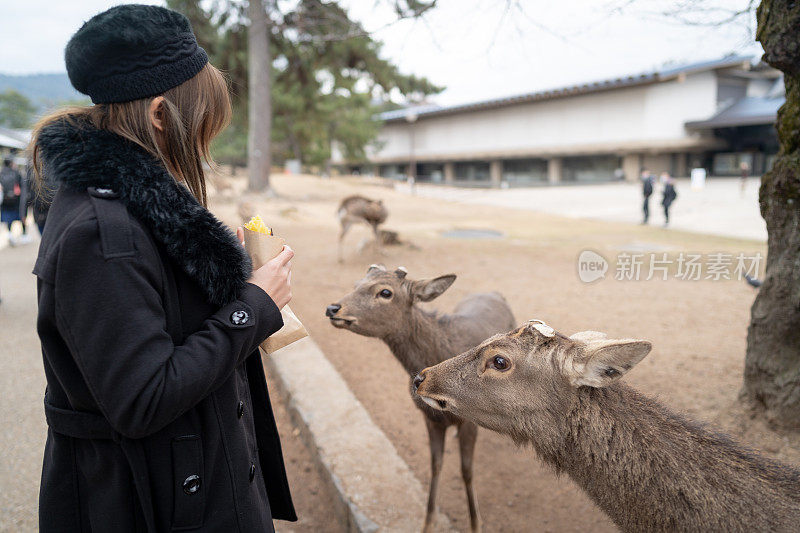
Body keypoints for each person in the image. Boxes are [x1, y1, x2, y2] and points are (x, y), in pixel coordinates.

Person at [30, 5, 296, 531]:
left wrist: (232, 278)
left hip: (179, 486)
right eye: (203, 124)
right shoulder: (101, 233)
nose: (205, 141)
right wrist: (253, 308)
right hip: (146, 506)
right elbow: (143, 397)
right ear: (158, 115)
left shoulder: (137, 205)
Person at [0, 156, 24, 244]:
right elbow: (22, 186)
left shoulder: (1, 173)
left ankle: (10, 234)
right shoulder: (16, 173)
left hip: (5, 201)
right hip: (15, 200)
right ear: (11, 163)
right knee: (20, 216)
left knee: (8, 218)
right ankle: (24, 235)